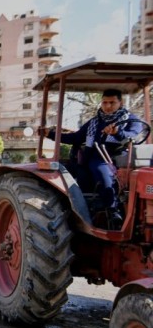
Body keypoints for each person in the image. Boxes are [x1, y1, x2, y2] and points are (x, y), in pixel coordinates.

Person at [42, 88, 143, 229]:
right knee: (101, 170)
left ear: (120, 102)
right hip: (99, 158)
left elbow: (132, 135)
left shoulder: (131, 120)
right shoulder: (94, 123)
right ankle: (112, 211)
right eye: (105, 102)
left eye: (112, 102)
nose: (107, 106)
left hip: (122, 158)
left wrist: (117, 132)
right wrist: (50, 134)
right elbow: (76, 138)